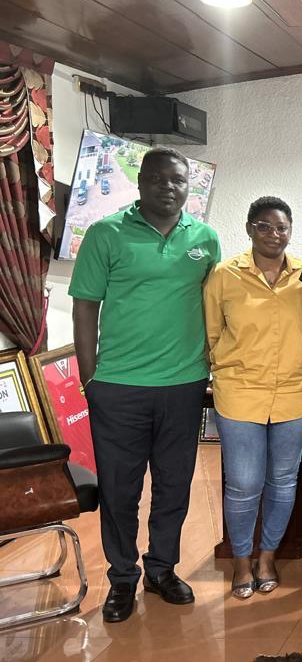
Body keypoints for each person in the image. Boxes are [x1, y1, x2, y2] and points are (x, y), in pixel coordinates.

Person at [71, 147, 221, 623]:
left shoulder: (205, 239)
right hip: (118, 387)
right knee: (120, 490)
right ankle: (121, 578)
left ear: (188, 186)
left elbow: (214, 304)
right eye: (157, 179)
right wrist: (90, 378)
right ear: (141, 183)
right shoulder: (105, 233)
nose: (168, 187)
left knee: (174, 485)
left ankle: (162, 569)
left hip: (184, 385)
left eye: (177, 180)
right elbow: (84, 306)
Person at [204, 196, 302, 599]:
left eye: (281, 227)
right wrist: (223, 368)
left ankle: (267, 556)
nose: (274, 234)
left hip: (295, 392)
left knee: (283, 481)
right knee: (243, 484)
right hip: (240, 393)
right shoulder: (224, 275)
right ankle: (241, 560)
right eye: (264, 226)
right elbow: (211, 332)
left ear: (291, 231)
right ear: (250, 228)